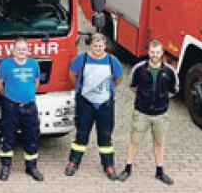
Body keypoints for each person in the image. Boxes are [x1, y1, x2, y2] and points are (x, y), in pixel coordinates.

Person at [65, 32, 124, 180]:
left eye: (100, 46)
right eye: (95, 45)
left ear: (105, 46)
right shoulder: (81, 59)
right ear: (90, 46)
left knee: (105, 136)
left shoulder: (112, 61)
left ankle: (108, 165)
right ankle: (73, 162)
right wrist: (81, 89)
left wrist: (109, 91)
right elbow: (72, 74)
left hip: (105, 104)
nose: (98, 48)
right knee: (81, 134)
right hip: (85, 103)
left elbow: (119, 78)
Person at [119, 40, 178, 185]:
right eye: (152, 52)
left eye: (158, 52)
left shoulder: (170, 72)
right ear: (148, 52)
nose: (155, 55)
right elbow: (133, 87)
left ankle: (159, 171)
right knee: (134, 141)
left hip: (161, 114)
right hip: (141, 113)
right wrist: (144, 99)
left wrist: (160, 100)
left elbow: (173, 91)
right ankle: (127, 169)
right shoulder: (139, 69)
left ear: (162, 53)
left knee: (159, 143)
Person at [0, 38, 44, 182]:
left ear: (28, 51)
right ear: (13, 51)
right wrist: (11, 98)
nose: (21, 52)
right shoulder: (6, 64)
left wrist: (27, 95)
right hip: (11, 106)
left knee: (32, 138)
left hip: (29, 106)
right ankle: (5, 167)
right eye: (18, 49)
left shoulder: (34, 64)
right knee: (7, 137)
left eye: (24, 49)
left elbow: (36, 82)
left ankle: (31, 167)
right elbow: (0, 85)